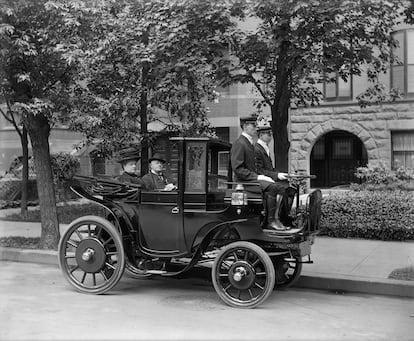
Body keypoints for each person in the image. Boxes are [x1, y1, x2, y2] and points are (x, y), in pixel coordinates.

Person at [230, 115, 291, 231]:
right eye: (253, 125)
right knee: (275, 188)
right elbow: (238, 169)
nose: (255, 127)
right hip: (243, 183)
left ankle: (276, 219)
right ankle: (271, 221)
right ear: (245, 127)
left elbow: (254, 167)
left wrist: (263, 176)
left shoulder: (248, 143)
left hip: (250, 180)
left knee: (279, 187)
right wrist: (258, 177)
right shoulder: (240, 143)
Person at [254, 124, 294, 228]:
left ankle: (283, 218)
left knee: (290, 189)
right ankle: (273, 219)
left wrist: (281, 174)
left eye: (270, 134)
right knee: (280, 188)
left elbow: (269, 169)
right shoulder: (257, 149)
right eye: (268, 134)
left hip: (267, 178)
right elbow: (259, 170)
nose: (270, 136)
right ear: (261, 135)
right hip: (260, 180)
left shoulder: (264, 148)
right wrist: (277, 175)